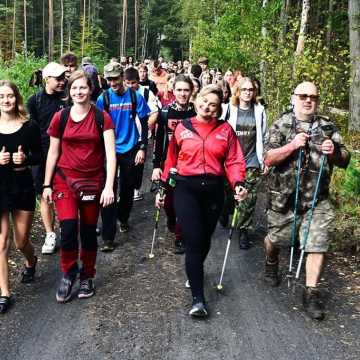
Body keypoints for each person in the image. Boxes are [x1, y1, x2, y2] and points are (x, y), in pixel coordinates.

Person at [156, 84, 247, 318]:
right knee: (194, 239)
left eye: (213, 104)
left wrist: (238, 183)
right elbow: (171, 160)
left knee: (205, 239)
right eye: (204, 101)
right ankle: (198, 299)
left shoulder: (225, 130)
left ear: (218, 109)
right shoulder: (183, 128)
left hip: (214, 190)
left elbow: (235, 160)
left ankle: (194, 268)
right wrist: (163, 188)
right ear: (197, 101)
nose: (207, 107)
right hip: (186, 188)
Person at [263, 81, 350, 320]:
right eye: (303, 96)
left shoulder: (327, 126)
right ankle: (271, 262)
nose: (308, 100)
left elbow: (344, 159)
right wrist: (291, 145)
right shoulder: (281, 124)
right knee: (275, 240)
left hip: (317, 200)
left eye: (313, 96)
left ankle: (311, 292)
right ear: (294, 98)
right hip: (284, 199)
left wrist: (333, 151)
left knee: (317, 243)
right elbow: (268, 159)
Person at [43, 70, 116, 302]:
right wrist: (46, 184)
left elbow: (111, 155)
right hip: (64, 179)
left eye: (83, 87)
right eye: (74, 88)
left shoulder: (101, 117)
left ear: (91, 89)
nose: (78, 92)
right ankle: (69, 271)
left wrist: (109, 187)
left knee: (88, 230)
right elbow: (53, 152)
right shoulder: (60, 118)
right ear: (69, 90)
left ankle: (87, 275)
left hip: (93, 182)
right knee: (68, 228)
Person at [96, 62, 150, 250]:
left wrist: (143, 147)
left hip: (131, 148)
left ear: (122, 78)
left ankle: (124, 217)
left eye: (116, 79)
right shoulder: (103, 99)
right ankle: (108, 237)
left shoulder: (135, 97)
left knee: (127, 190)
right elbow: (98, 126)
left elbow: (144, 124)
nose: (113, 83)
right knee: (108, 189)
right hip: (110, 149)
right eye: (109, 79)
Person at [0, 80, 42, 314]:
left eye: (9, 96)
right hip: (0, 186)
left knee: (20, 241)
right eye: (1, 96)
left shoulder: (29, 126)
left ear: (16, 99)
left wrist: (23, 159)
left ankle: (31, 260)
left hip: (22, 185)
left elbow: (39, 155)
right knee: (1, 242)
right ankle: (5, 293)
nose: (6, 100)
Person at [221, 78, 268, 249]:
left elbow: (264, 135)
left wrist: (265, 158)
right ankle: (225, 209)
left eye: (251, 89)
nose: (248, 92)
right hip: (231, 161)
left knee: (249, 198)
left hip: (252, 160)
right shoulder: (228, 109)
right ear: (238, 91)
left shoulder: (260, 110)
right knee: (229, 194)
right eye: (244, 89)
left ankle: (243, 231)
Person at [152, 75, 196, 254]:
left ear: (191, 92)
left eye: (186, 90)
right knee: (169, 203)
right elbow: (159, 139)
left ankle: (180, 236)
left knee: (183, 202)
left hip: (189, 164)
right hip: (169, 163)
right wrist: (156, 165)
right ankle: (171, 219)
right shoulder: (165, 112)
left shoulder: (196, 112)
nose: (183, 94)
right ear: (173, 91)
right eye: (179, 90)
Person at [27, 62, 68, 255]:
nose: (62, 82)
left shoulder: (67, 98)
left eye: (63, 78)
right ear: (46, 79)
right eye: (58, 79)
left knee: (67, 191)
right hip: (41, 155)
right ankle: (50, 233)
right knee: (45, 195)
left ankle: (69, 226)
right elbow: (30, 129)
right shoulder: (34, 101)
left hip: (66, 154)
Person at [123, 67, 159, 202]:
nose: (130, 86)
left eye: (133, 83)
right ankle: (125, 189)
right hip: (125, 135)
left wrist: (147, 126)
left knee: (139, 163)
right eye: (127, 83)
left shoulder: (146, 93)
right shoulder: (121, 93)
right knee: (126, 164)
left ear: (138, 81)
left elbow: (155, 111)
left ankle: (136, 189)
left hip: (141, 135)